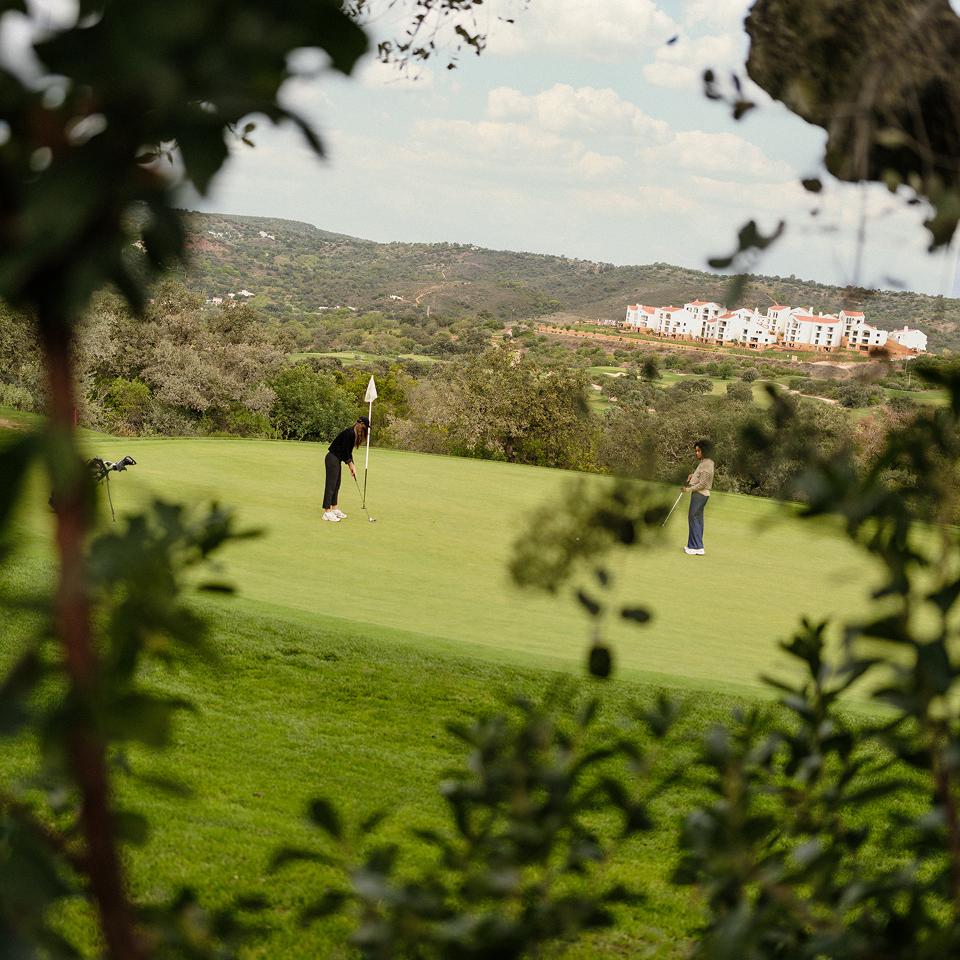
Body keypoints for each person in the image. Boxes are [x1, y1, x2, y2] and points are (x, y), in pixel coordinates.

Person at [322, 416, 370, 523]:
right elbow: (344, 451)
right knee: (331, 485)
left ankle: (334, 508)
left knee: (337, 484)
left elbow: (348, 452)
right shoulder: (350, 433)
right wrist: (350, 464)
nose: (365, 431)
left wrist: (352, 465)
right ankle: (327, 512)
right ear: (361, 425)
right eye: (365, 428)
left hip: (336, 459)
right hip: (332, 458)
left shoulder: (353, 434)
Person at [683, 438, 714, 555]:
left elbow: (703, 484)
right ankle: (698, 546)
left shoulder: (707, 463)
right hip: (700, 494)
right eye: (696, 451)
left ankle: (694, 547)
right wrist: (693, 476)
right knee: (697, 519)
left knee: (693, 518)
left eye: (698, 451)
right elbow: (700, 477)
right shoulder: (704, 461)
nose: (697, 453)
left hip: (700, 494)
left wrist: (688, 489)